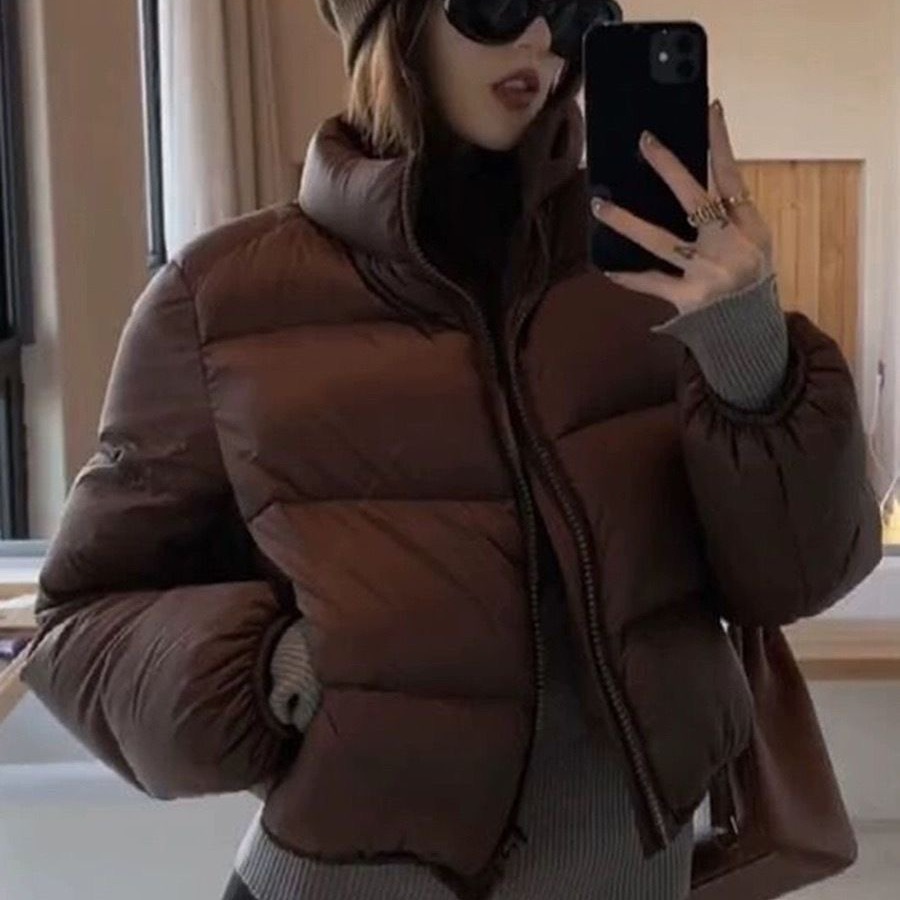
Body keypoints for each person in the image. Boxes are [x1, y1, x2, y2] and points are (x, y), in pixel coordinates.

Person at [19, 1, 883, 899]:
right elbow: (81, 619)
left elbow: (795, 576)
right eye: (498, 2)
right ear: (391, 19)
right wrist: (269, 666)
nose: (541, 40)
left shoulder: (658, 277)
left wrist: (749, 348)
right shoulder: (220, 298)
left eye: (573, 11)